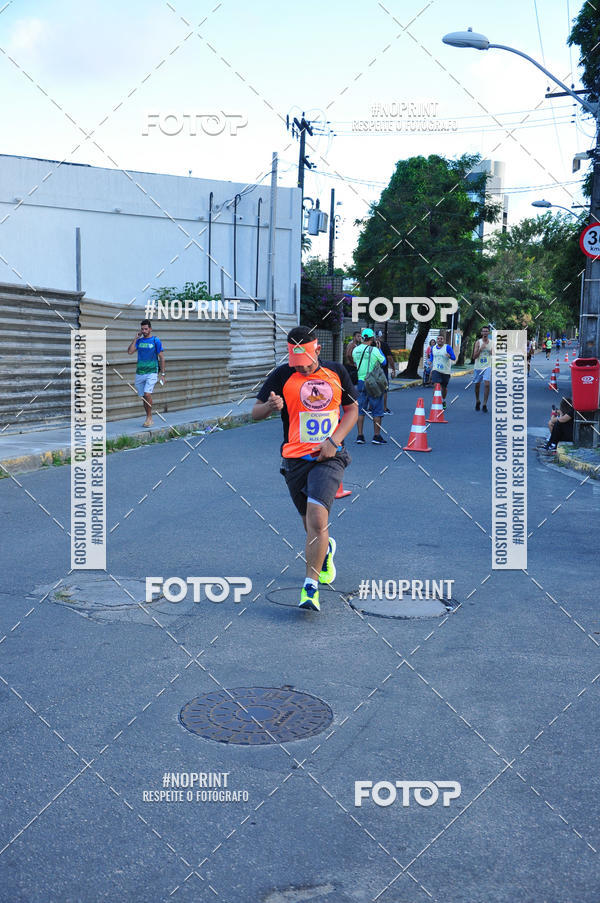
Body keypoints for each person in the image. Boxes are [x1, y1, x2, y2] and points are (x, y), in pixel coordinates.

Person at [252, 326, 358, 612]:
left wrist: (334, 441)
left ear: (318, 351)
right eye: (296, 363)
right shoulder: (283, 374)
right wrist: (270, 407)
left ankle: (310, 588)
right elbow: (255, 412)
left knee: (316, 516)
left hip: (329, 457)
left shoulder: (337, 373)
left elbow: (352, 410)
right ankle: (325, 551)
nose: (302, 368)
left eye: (306, 363)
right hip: (294, 459)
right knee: (309, 524)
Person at [127, 319, 165, 427]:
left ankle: (149, 417)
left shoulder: (155, 340)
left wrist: (163, 374)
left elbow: (162, 357)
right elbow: (130, 352)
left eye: (146, 329)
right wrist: (135, 338)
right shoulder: (139, 341)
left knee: (147, 394)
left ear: (150, 329)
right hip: (140, 372)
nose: (144, 331)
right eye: (142, 329)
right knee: (144, 396)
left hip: (152, 372)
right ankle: (147, 416)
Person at [352, 328, 387, 444]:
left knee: (360, 410)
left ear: (362, 337)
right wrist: (379, 349)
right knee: (377, 410)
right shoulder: (375, 350)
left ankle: (360, 436)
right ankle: (376, 436)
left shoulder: (355, 350)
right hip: (373, 383)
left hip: (361, 382)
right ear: (372, 338)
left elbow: (355, 362)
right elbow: (384, 362)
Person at [430, 331, 456, 408]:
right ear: (436, 340)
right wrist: (430, 361)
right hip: (436, 370)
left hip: (446, 371)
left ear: (444, 340)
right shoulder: (433, 348)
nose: (439, 340)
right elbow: (432, 356)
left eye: (441, 339)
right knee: (436, 385)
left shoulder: (447, 347)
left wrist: (449, 356)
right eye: (438, 339)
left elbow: (454, 358)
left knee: (444, 388)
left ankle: (443, 400)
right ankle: (436, 402)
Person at [473, 325, 493, 412]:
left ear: (489, 333)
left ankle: (484, 404)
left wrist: (491, 352)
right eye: (483, 331)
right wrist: (480, 349)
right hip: (478, 367)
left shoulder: (492, 343)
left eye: (486, 331)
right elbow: (474, 356)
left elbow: (494, 355)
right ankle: (477, 400)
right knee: (477, 385)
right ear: (481, 333)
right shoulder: (478, 342)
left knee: (487, 384)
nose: (485, 333)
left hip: (487, 366)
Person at [375, 329, 396, 413]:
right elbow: (389, 358)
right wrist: (393, 369)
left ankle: (370, 407)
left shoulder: (369, 345)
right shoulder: (384, 345)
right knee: (384, 390)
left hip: (371, 370)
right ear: (380, 336)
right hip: (383, 371)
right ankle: (383, 408)